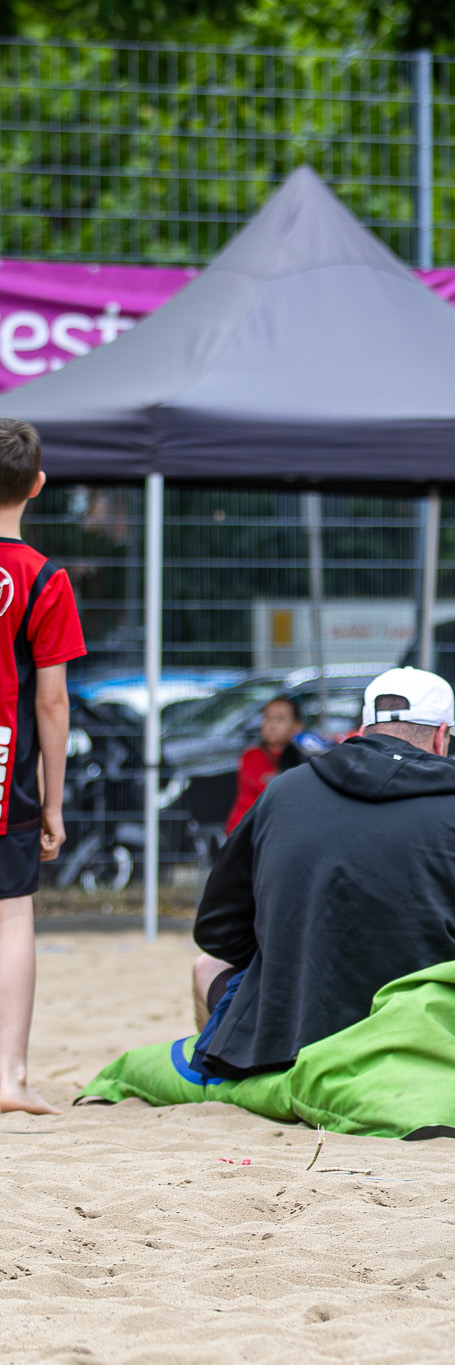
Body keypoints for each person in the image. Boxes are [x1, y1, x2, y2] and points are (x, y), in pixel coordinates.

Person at [189, 668, 455, 1075]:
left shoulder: (282, 791)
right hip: (421, 1038)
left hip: (288, 1040)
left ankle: (222, 1085)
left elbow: (216, 931)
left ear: (362, 731)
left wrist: (294, 955)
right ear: (441, 736)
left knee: (207, 967)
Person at [0, 418, 85, 1116]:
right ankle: (10, 1075)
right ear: (37, 484)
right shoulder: (45, 577)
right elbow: (51, 701)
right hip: (8, 776)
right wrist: (53, 803)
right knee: (12, 915)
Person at [225, 695, 305, 832]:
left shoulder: (303, 756)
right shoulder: (252, 756)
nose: (271, 725)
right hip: (248, 831)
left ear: (297, 726)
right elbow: (276, 793)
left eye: (280, 719)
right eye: (267, 718)